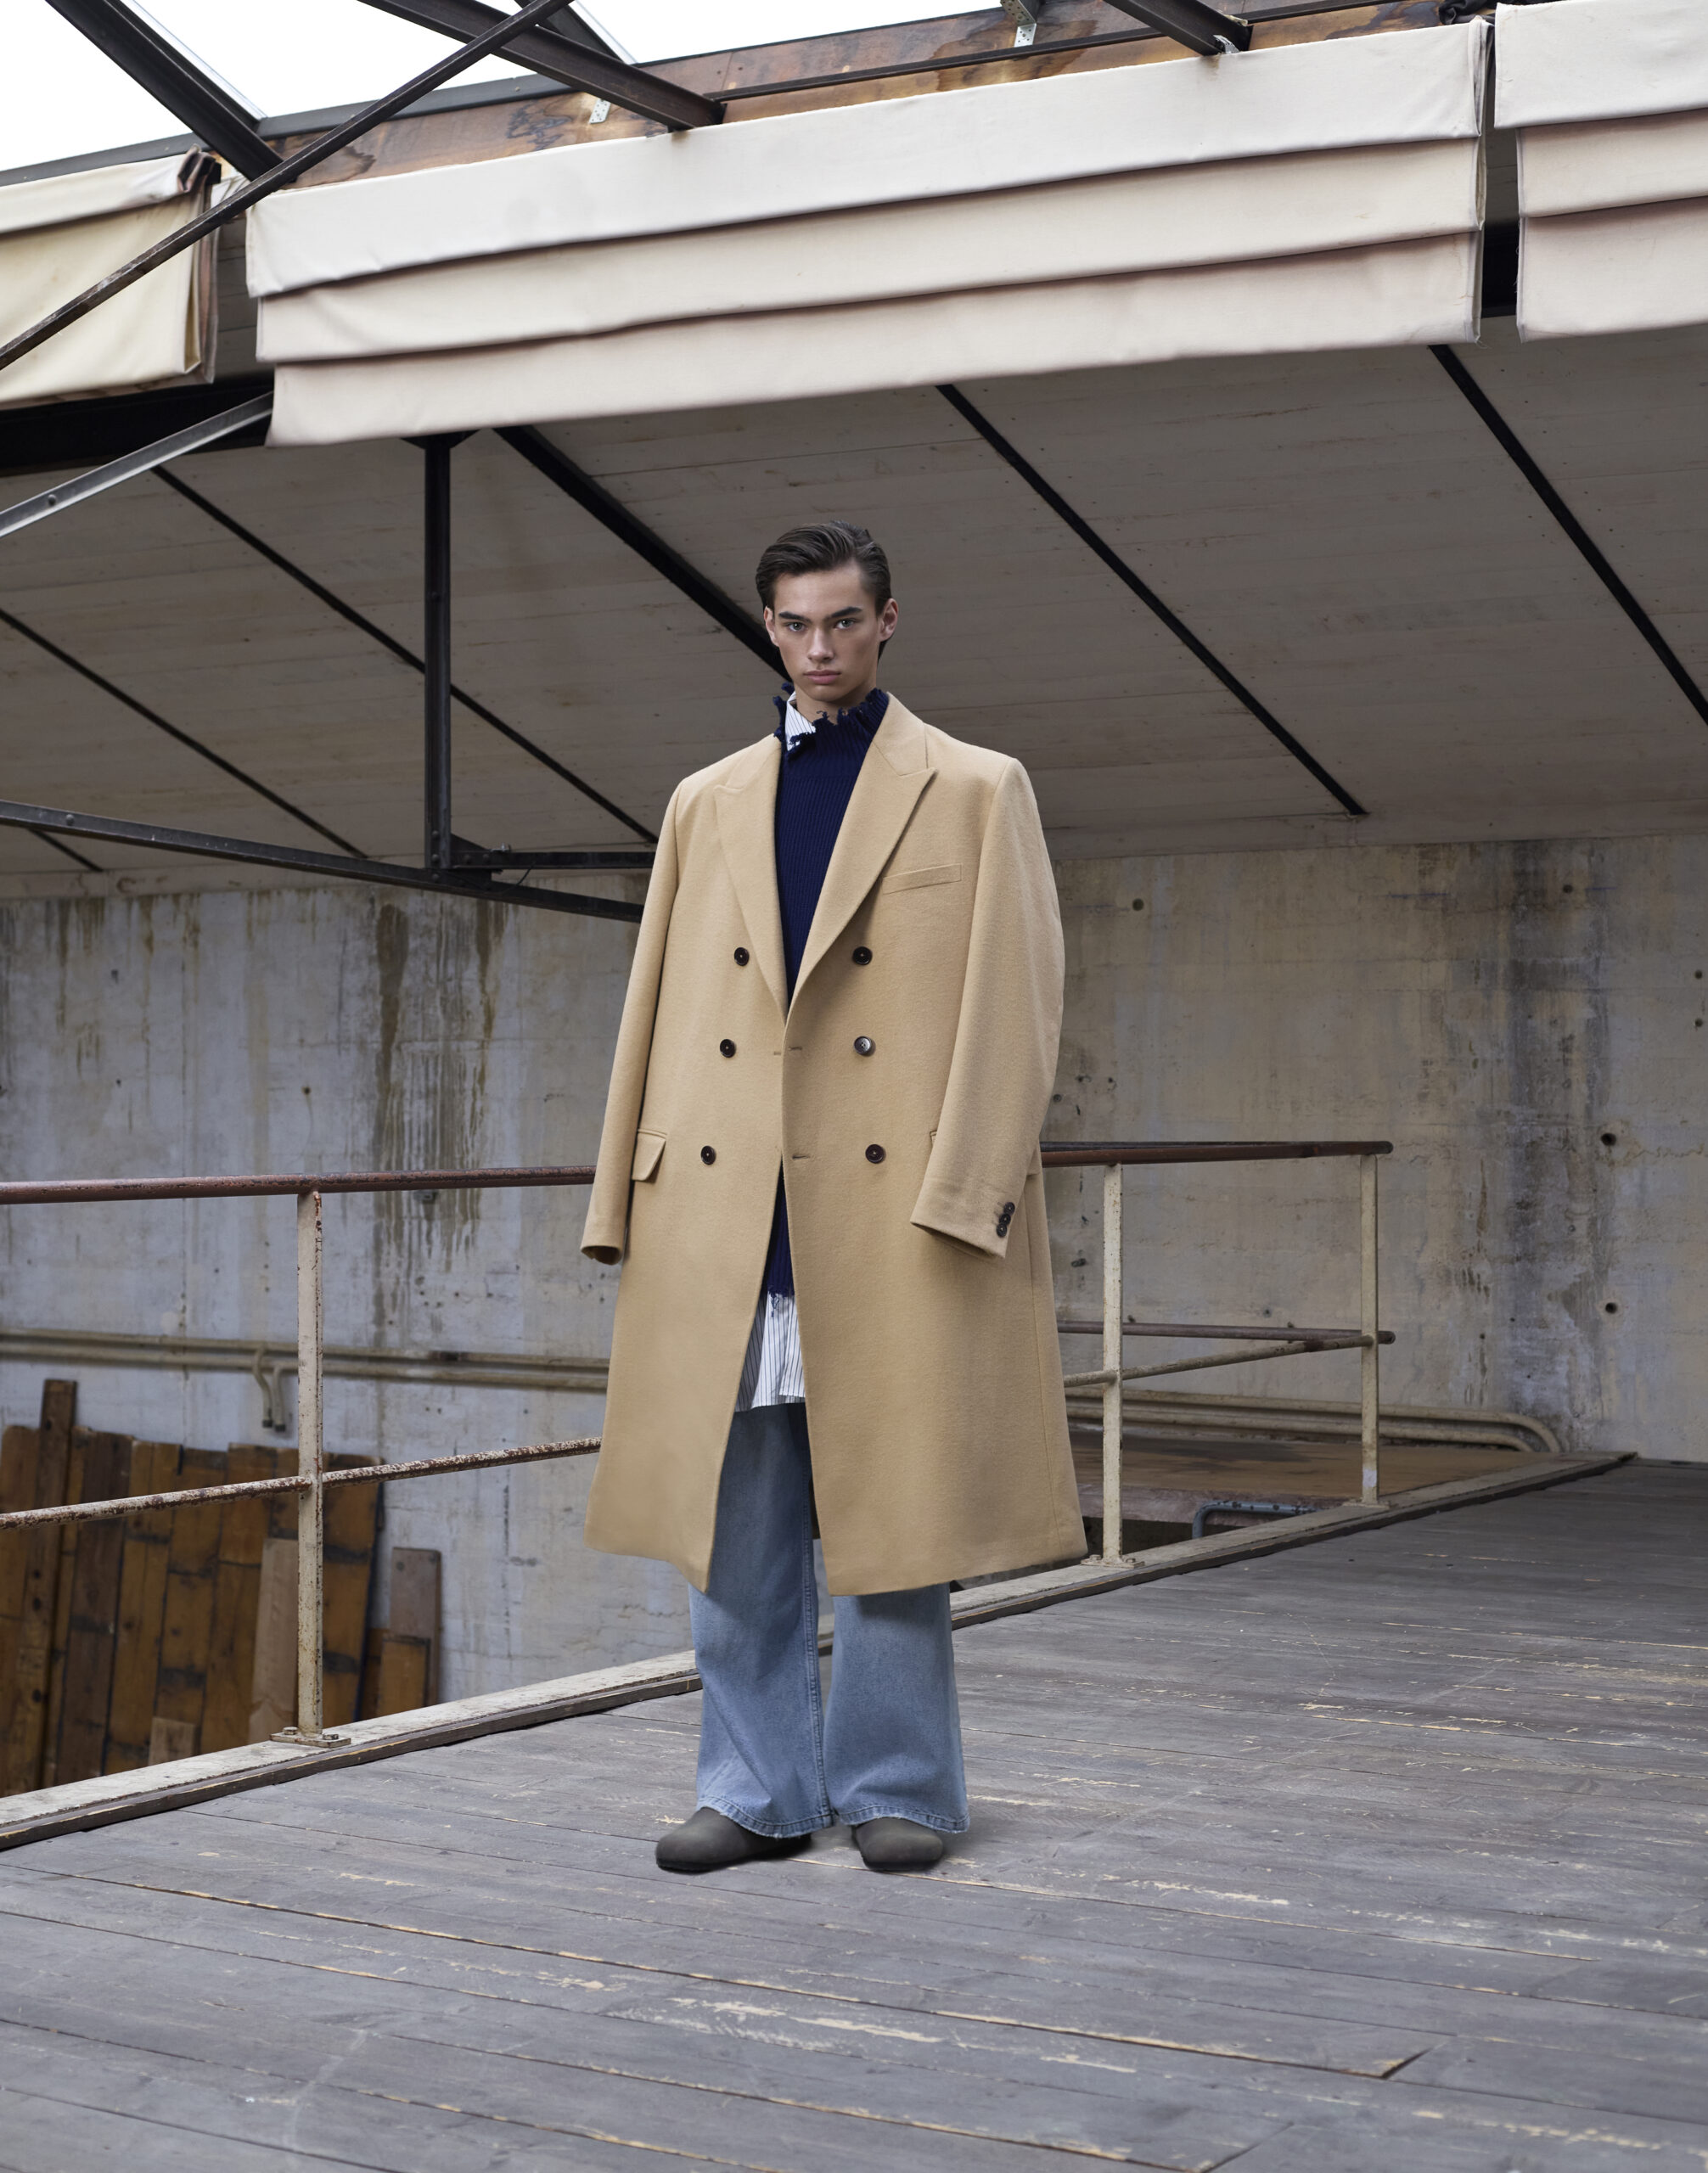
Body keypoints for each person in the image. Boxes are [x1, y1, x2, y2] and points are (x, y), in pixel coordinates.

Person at [580, 520, 1083, 1874]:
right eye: (796, 624)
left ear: (887, 622)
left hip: (890, 1215)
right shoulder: (706, 801)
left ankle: (897, 1785)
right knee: (732, 1528)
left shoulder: (975, 788)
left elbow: (1019, 1008)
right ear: (768, 627)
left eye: (844, 622)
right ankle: (752, 1789)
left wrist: (968, 1193)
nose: (820, 648)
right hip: (725, 1210)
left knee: (893, 1521)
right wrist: (618, 1196)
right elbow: (655, 1002)